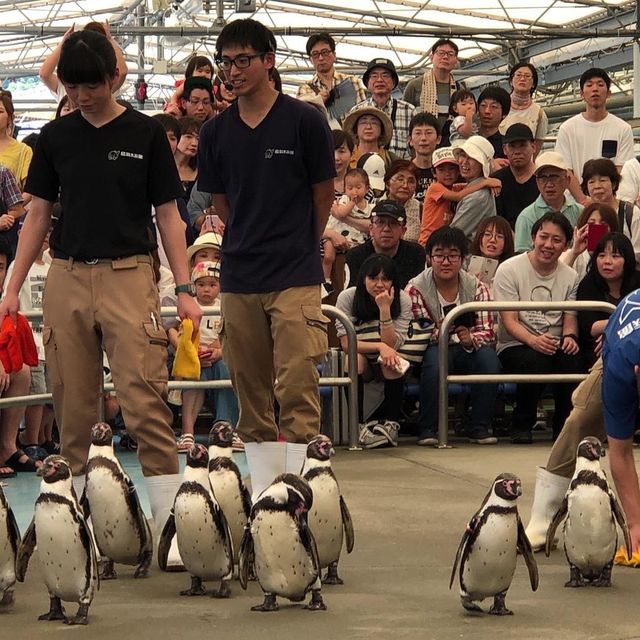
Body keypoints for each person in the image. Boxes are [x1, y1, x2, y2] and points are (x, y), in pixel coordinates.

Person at [0, 29, 201, 566]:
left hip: (129, 273)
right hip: (66, 274)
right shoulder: (55, 137)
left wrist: (183, 288)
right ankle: (80, 529)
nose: (82, 96)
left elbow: (168, 216)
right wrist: (13, 285)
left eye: (89, 85)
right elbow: (37, 214)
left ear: (112, 78)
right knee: (72, 405)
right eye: (72, 86)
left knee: (143, 401)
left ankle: (171, 528)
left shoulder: (145, 134)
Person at [197, 19, 335, 498]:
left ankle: (300, 487)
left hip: (295, 269)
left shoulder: (305, 119)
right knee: (249, 386)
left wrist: (302, 241)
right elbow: (221, 204)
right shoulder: (215, 132)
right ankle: (264, 490)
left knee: (297, 379)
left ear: (268, 61)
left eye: (242, 60)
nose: (232, 71)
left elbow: (323, 194)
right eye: (225, 62)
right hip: (239, 271)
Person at [406, 226, 501, 446]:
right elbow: (418, 333)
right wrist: (446, 333)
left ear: (463, 259)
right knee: (434, 362)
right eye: (439, 255)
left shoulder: (477, 287)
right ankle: (428, 428)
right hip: (433, 348)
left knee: (489, 360)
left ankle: (480, 426)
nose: (446, 262)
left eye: (452, 256)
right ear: (430, 258)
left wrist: (469, 338)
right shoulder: (415, 288)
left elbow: (487, 330)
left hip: (469, 347)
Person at [494, 212, 582, 443]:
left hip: (554, 340)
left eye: (557, 240)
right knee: (535, 360)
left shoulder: (571, 276)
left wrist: (570, 337)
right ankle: (522, 424)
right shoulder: (509, 269)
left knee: (572, 359)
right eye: (544, 237)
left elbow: (569, 316)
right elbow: (509, 320)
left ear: (566, 245)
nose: (548, 245)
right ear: (533, 237)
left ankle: (563, 429)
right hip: (516, 342)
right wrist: (533, 340)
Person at [335, 254, 412, 448]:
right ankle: (358, 425)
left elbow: (392, 345)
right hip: (362, 355)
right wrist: (379, 346)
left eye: (385, 279)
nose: (379, 284)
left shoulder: (403, 299)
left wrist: (385, 310)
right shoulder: (347, 297)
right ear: (363, 279)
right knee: (352, 360)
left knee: (392, 361)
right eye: (373, 278)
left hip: (387, 357)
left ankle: (391, 424)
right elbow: (346, 344)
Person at [169, 262, 239, 452]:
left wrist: (217, 351)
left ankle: (225, 429)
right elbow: (175, 331)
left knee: (228, 371)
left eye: (212, 284)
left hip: (218, 353)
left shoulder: (225, 305)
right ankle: (187, 432)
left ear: (220, 286)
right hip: (194, 353)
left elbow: (231, 333)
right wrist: (192, 350)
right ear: (194, 286)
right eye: (201, 285)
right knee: (193, 376)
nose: (206, 289)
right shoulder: (189, 306)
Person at [555, 68, 635, 205]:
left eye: (600, 84)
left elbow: (621, 169)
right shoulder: (567, 128)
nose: (595, 89)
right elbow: (566, 170)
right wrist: (583, 200)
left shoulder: (623, 128)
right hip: (575, 205)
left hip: (610, 204)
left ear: (609, 93)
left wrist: (605, 200)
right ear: (581, 94)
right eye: (589, 84)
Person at [602, 288, 640, 555]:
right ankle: (543, 514)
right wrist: (635, 522)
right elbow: (621, 452)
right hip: (616, 345)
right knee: (579, 420)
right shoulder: (620, 367)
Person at [577, 232, 640, 369]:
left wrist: (613, 333)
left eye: (615, 256)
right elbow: (590, 327)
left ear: (627, 259)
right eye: (601, 255)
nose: (607, 261)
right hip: (596, 348)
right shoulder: (588, 284)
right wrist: (623, 325)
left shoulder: (638, 282)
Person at [419, 147, 500, 247]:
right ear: (434, 173)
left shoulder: (456, 188)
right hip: (428, 242)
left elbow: (470, 187)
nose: (447, 173)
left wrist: (492, 181)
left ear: (458, 171)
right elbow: (458, 196)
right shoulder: (434, 187)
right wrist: (485, 182)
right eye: (441, 170)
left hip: (442, 242)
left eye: (452, 169)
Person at [346, 200, 426, 288]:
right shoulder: (355, 256)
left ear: (403, 231)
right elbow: (355, 294)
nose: (386, 229)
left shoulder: (416, 254)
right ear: (371, 229)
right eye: (380, 222)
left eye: (393, 223)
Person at [38, 21, 128, 100]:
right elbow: (44, 74)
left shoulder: (104, 81)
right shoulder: (103, 84)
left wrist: (109, 39)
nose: (82, 98)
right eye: (73, 87)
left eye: (93, 87)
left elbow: (122, 73)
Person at [514, 150, 582, 253]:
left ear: (567, 180)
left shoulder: (580, 212)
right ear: (537, 182)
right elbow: (521, 257)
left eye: (554, 177)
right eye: (543, 178)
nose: (549, 184)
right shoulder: (527, 217)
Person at [350, 58, 415, 159]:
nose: (380, 80)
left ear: (394, 82)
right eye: (374, 76)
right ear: (367, 83)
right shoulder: (357, 111)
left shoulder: (409, 111)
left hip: (400, 171)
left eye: (385, 75)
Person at [322, 167, 372, 294]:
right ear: (345, 189)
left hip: (355, 240)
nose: (354, 191)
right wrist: (352, 203)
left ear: (367, 188)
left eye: (358, 187)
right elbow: (341, 213)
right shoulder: (344, 200)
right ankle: (325, 281)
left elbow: (371, 225)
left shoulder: (370, 206)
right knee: (328, 255)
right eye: (350, 188)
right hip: (335, 232)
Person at [296, 32, 366, 122]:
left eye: (324, 52)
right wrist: (317, 101)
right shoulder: (304, 89)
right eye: (315, 54)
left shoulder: (352, 82)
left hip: (348, 135)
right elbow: (300, 119)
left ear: (334, 55)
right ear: (310, 60)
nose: (320, 58)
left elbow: (362, 115)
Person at [581, 157, 640, 262]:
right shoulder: (585, 214)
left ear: (613, 184)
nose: (597, 186)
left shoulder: (631, 213)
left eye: (603, 180)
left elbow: (638, 252)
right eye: (591, 182)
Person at [403, 38, 462, 133]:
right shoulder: (415, 85)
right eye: (441, 53)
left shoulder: (459, 89)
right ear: (431, 57)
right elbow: (404, 118)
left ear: (456, 60)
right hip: (422, 142)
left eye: (450, 54)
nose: (445, 57)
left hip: (451, 143)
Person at [450, 136, 498, 242]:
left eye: (472, 158)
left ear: (482, 165)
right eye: (463, 155)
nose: (465, 162)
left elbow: (452, 235)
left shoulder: (477, 197)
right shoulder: (473, 189)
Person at [492, 123, 539, 230]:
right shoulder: (495, 180)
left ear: (533, 147)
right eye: (512, 146)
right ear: (504, 149)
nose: (517, 152)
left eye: (522, 145)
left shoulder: (543, 179)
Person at [559, 202, 619, 282]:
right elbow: (559, 283)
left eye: (603, 224)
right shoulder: (571, 255)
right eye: (591, 223)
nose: (597, 227)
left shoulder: (620, 255)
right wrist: (574, 253)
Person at [499, 63, 548, 157]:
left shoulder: (539, 113)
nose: (522, 79)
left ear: (533, 83)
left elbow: (537, 145)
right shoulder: (500, 106)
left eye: (527, 76)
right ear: (511, 81)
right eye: (518, 75)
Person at [466, 215, 515, 288]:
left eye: (499, 236)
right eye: (487, 234)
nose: (492, 240)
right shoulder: (464, 265)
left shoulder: (512, 270)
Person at [0, 91, 33, 193]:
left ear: (10, 118)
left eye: (0, 111)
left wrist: (15, 208)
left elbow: (30, 191)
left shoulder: (23, 151)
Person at [382, 160, 421, 243]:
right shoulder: (374, 205)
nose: (405, 185)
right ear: (387, 183)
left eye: (411, 181)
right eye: (400, 179)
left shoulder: (421, 209)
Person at [408, 112, 440, 203]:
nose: (423, 138)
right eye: (418, 133)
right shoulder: (404, 170)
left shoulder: (446, 171)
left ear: (438, 139)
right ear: (410, 140)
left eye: (429, 133)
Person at [476, 86, 511, 161]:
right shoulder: (468, 137)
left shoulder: (506, 145)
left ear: (504, 114)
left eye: (494, 107)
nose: (487, 111)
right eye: (483, 105)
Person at [175, 117, 200, 201]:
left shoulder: (202, 170)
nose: (194, 143)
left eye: (198, 138)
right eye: (188, 137)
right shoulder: (162, 168)